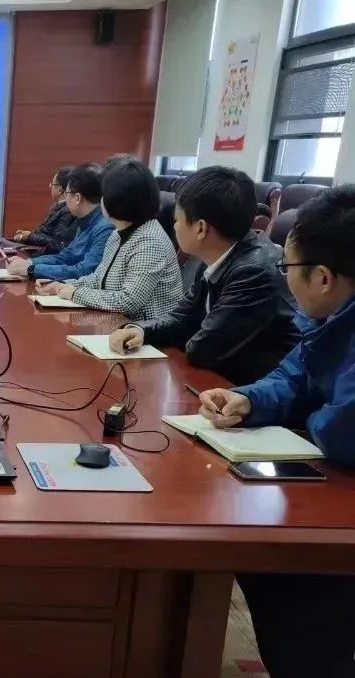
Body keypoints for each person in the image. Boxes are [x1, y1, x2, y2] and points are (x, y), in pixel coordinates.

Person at [198, 185, 355, 678]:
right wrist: (249, 399)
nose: (283, 277)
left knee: (281, 573)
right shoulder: (331, 317)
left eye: (288, 267)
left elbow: (343, 432)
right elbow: (293, 375)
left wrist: (303, 417)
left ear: (323, 277)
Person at [108, 166, 298, 384]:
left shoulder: (254, 272)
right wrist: (141, 330)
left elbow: (203, 349)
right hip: (224, 381)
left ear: (200, 229)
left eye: (177, 219)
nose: (175, 226)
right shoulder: (216, 255)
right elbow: (181, 317)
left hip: (252, 389)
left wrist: (179, 332)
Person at [35, 159, 182, 321]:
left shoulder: (149, 241)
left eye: (104, 196)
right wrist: (62, 285)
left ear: (117, 201)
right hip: (117, 323)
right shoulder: (118, 233)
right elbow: (99, 278)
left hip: (145, 330)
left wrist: (75, 293)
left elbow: (129, 301)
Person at [7, 164, 112, 280]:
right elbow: (66, 257)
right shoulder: (84, 221)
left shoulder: (105, 228)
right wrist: (29, 262)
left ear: (77, 198)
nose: (65, 199)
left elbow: (85, 271)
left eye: (67, 194)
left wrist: (32, 270)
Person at [11, 165, 78, 253]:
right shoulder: (57, 207)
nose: (50, 186)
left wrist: (30, 237)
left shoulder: (68, 211)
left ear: (60, 190)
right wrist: (28, 235)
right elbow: (45, 233)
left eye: (52, 184)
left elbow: (56, 243)